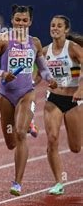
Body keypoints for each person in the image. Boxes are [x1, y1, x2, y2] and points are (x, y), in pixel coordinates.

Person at [0, 4, 57, 197]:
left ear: (30, 21)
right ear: (12, 20)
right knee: (10, 142)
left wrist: (50, 79)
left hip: (26, 92)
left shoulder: (36, 43)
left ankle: (17, 183)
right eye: (18, 20)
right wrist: (3, 73)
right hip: (6, 94)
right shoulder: (2, 40)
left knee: (21, 133)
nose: (21, 23)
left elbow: (43, 69)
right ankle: (29, 123)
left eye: (25, 20)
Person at [33, 15, 82, 195]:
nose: (55, 28)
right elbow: (40, 74)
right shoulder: (45, 51)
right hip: (53, 99)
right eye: (52, 25)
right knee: (52, 138)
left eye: (59, 26)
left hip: (73, 101)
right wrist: (27, 87)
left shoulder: (73, 49)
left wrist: (81, 89)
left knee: (75, 147)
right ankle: (59, 183)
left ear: (66, 30)